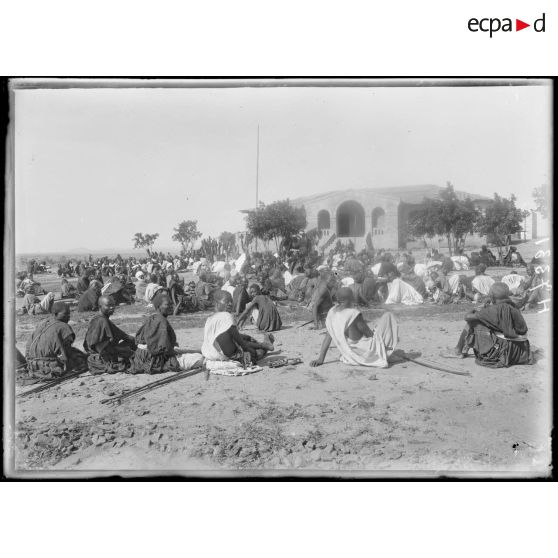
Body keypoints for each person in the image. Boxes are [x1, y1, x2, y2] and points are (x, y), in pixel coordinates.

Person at [449, 282, 533, 368]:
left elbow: (467, 317)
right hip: (520, 352)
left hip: (504, 352)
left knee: (473, 322)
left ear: (491, 296)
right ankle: (463, 349)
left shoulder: (494, 310)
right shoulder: (513, 307)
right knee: (483, 321)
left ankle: (458, 350)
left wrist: (476, 308)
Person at [310, 287, 398, 369]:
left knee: (378, 327)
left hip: (350, 353)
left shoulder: (332, 312)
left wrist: (320, 359)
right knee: (388, 316)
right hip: (364, 351)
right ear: (349, 299)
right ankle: (384, 351)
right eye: (352, 296)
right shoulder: (353, 314)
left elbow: (327, 338)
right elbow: (368, 333)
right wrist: (382, 345)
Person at [130, 294, 201, 374]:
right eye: (167, 304)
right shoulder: (161, 321)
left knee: (193, 352)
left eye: (171, 304)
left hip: (141, 356)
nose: (171, 307)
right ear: (159, 306)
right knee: (199, 358)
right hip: (154, 359)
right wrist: (184, 352)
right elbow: (163, 350)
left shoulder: (152, 318)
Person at [202, 290, 275, 366]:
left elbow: (224, 335)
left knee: (244, 338)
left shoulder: (209, 319)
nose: (230, 304)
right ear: (216, 303)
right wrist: (251, 351)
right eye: (226, 301)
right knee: (256, 353)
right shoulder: (226, 316)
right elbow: (239, 341)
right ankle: (264, 347)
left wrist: (246, 337)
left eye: (231, 301)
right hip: (225, 356)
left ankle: (263, 344)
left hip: (209, 354)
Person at [23, 301, 87, 381]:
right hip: (49, 366)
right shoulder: (63, 327)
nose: (68, 317)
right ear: (55, 314)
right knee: (81, 358)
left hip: (32, 365)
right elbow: (67, 352)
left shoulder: (43, 323)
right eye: (65, 314)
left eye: (69, 314)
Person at [83, 295, 137, 374]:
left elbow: (124, 335)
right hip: (101, 356)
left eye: (113, 305)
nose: (112, 307)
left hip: (106, 350)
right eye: (108, 305)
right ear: (100, 306)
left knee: (132, 343)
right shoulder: (101, 321)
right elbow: (98, 347)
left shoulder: (103, 319)